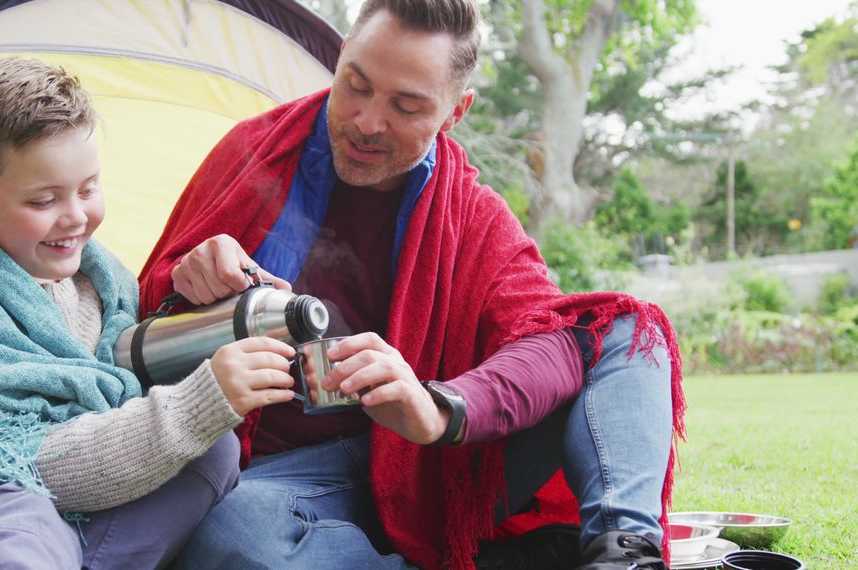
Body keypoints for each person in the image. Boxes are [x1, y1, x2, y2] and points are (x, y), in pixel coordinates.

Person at [138, 1, 685, 569]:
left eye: (406, 106)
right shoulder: (253, 154)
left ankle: (623, 557)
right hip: (283, 474)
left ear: (456, 112)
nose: (369, 122)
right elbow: (140, 325)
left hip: (431, 465)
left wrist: (439, 407)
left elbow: (556, 340)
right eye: (356, 86)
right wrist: (186, 277)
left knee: (622, 328)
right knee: (235, 535)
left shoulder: (471, 214)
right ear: (342, 56)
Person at [0, 57, 299, 569]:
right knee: (11, 524)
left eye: (89, 188)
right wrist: (197, 403)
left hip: (92, 512)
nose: (75, 216)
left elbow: (122, 373)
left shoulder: (101, 278)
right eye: (44, 199)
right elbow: (32, 467)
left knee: (213, 451)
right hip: (6, 497)